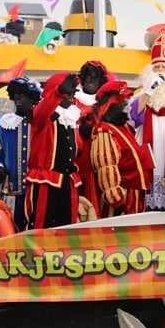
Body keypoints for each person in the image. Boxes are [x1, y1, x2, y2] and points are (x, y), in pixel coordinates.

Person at [128, 31, 165, 211]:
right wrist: (149, 90)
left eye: (164, 67)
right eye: (156, 67)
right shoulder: (141, 93)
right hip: (149, 148)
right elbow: (133, 117)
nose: (160, 70)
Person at [88, 81, 155, 217]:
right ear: (110, 105)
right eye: (122, 100)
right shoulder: (104, 131)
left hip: (134, 195)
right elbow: (106, 166)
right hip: (123, 197)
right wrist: (116, 199)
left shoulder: (124, 127)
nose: (126, 103)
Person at [25, 72, 81, 229]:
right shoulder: (42, 115)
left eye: (72, 93)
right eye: (66, 93)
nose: (70, 96)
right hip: (45, 180)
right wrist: (57, 92)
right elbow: (43, 110)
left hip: (68, 181)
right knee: (42, 226)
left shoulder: (71, 119)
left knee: (67, 228)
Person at [0, 76, 42, 231]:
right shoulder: (5, 124)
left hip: (36, 191)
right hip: (11, 192)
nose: (18, 97)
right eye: (15, 94)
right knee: (10, 230)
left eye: (22, 94)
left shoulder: (40, 122)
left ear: (32, 97)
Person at [73, 61, 113, 214]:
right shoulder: (72, 99)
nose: (91, 81)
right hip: (78, 154)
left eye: (95, 78)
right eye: (88, 77)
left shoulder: (106, 103)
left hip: (99, 154)